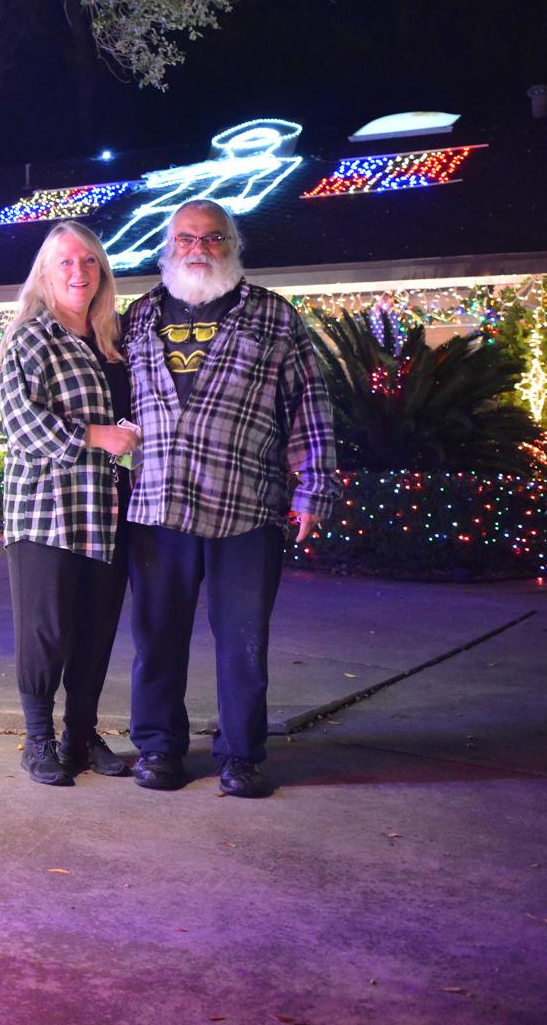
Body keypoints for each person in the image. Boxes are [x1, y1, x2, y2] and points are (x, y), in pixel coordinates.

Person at [122, 199, 338, 798]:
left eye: (211, 238)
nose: (198, 248)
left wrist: (314, 487)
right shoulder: (136, 318)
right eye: (186, 238)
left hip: (245, 507)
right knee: (156, 637)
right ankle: (159, 748)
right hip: (155, 508)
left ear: (232, 244)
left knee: (243, 643)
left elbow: (309, 404)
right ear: (169, 246)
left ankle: (241, 755)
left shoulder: (273, 316)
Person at [0, 222, 142, 786]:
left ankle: (79, 736)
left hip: (109, 508)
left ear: (101, 269)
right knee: (45, 629)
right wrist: (95, 436)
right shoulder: (32, 337)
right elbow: (19, 422)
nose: (78, 271)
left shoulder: (114, 342)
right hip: (47, 511)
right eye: (64, 262)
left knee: (96, 627)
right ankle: (38, 741)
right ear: (45, 273)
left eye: (88, 260)